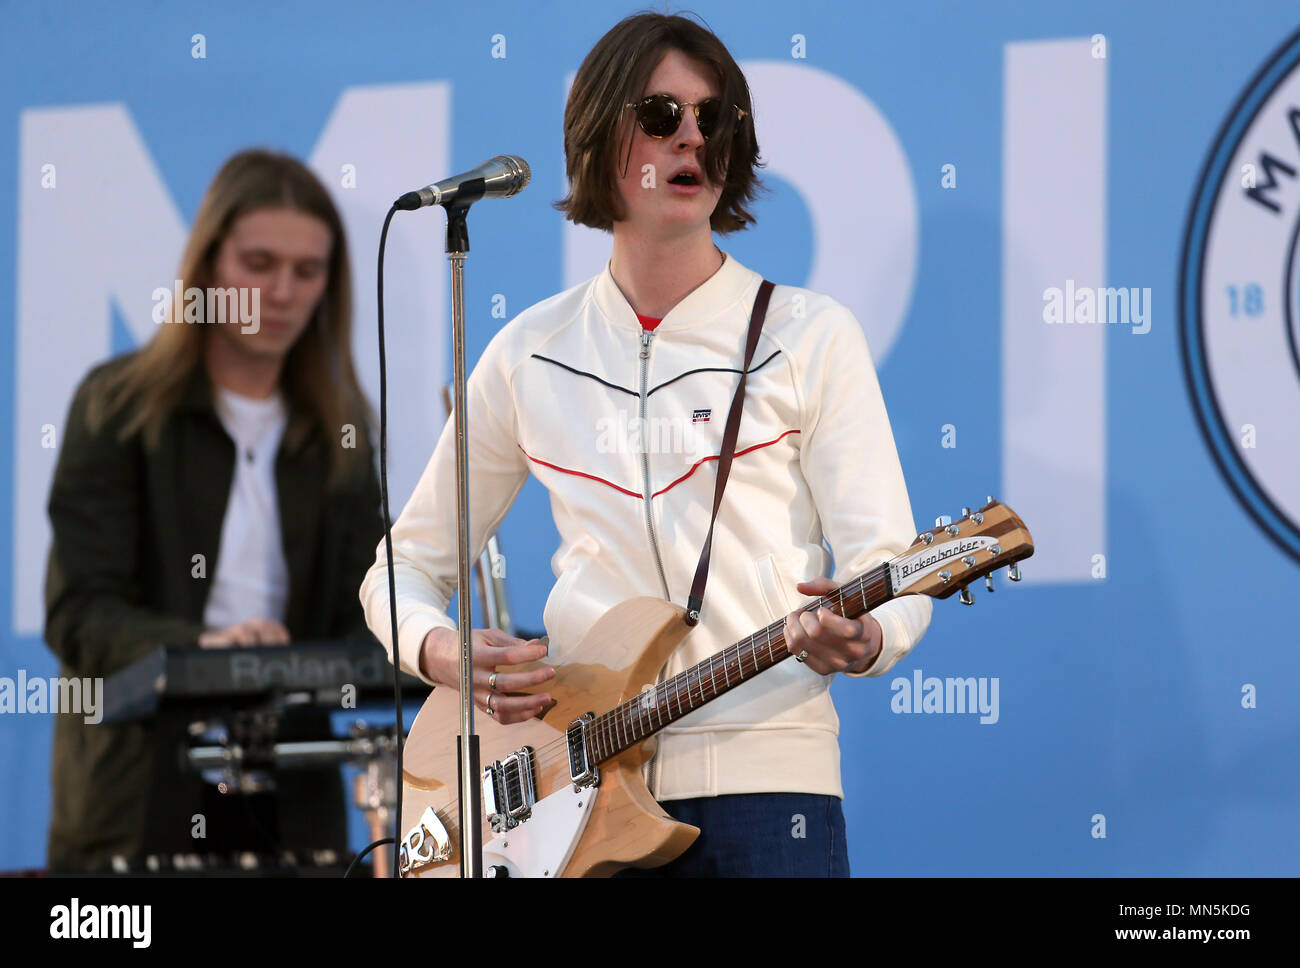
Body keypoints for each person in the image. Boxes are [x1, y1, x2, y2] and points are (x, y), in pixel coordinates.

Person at [360, 12, 931, 877]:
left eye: (718, 118)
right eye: (662, 115)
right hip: (566, 800)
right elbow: (401, 569)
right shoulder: (528, 351)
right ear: (598, 135)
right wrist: (442, 651)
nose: (693, 135)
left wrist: (872, 637)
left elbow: (895, 564)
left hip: (769, 791)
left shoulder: (811, 334)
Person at [44, 149, 383, 872]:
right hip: (134, 803)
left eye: (307, 271)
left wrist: (431, 638)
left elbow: (366, 611)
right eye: (258, 263)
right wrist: (208, 650)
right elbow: (80, 612)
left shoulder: (341, 432)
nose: (282, 291)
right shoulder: (119, 408)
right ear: (206, 267)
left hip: (294, 798)